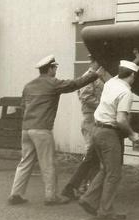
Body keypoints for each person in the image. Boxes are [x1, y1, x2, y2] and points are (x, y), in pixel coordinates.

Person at [8, 54, 100, 206]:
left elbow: (23, 106)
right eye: (55, 67)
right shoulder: (53, 83)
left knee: (25, 162)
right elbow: (75, 84)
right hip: (42, 129)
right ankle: (51, 197)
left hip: (26, 129)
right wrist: (95, 73)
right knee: (48, 163)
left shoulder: (29, 85)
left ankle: (16, 194)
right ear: (50, 68)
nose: (56, 70)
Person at [78, 51, 139, 220]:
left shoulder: (112, 82)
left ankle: (88, 198)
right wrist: (132, 135)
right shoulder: (126, 93)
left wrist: (135, 61)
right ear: (132, 76)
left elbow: (123, 71)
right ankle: (105, 210)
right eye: (134, 75)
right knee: (114, 173)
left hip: (97, 130)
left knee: (106, 169)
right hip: (109, 134)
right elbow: (121, 120)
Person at [61, 55, 110, 200]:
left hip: (96, 119)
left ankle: (84, 187)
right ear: (94, 62)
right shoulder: (89, 77)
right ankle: (78, 187)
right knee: (90, 156)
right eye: (100, 63)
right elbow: (86, 97)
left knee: (94, 156)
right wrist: (104, 107)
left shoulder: (98, 77)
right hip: (91, 120)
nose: (103, 66)